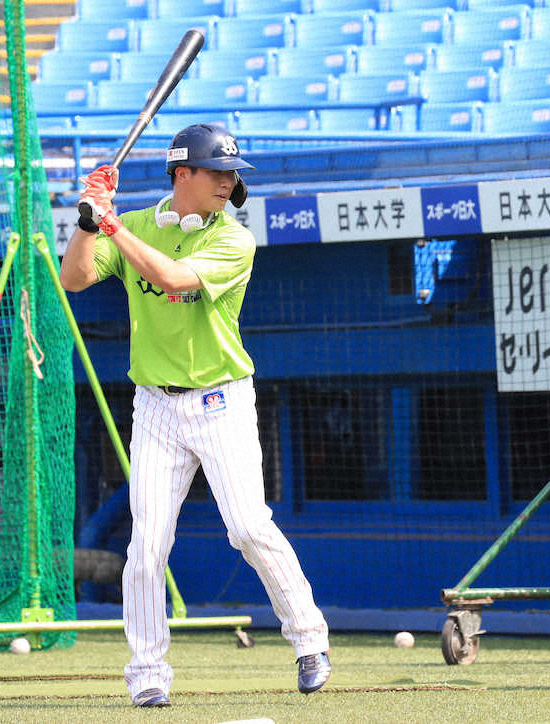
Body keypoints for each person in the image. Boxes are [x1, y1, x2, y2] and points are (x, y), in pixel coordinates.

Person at [60, 123, 331, 706]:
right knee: (147, 545)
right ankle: (147, 674)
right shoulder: (132, 225)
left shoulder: (234, 240)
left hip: (221, 400)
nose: (228, 182)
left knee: (247, 526)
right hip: (155, 404)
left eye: (232, 173)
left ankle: (309, 638)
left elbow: (175, 280)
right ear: (182, 174)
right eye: (217, 172)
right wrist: (89, 222)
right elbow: (74, 278)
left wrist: (110, 223)